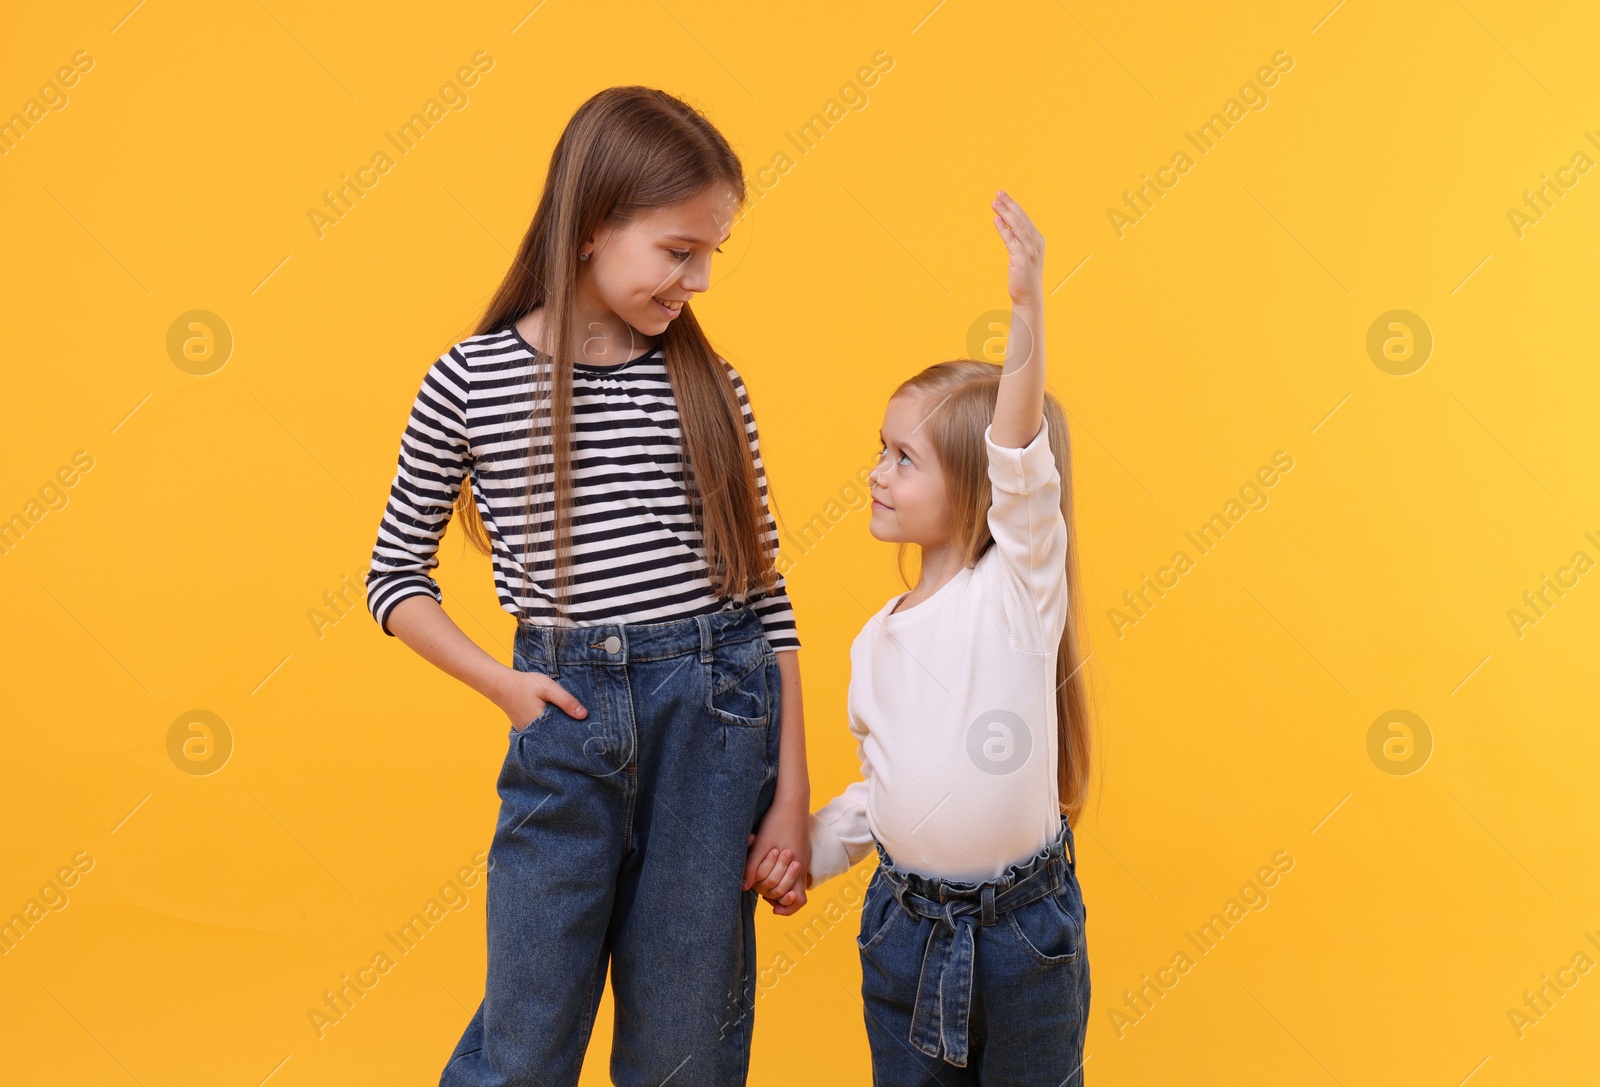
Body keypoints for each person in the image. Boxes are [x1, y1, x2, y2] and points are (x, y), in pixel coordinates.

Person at [363, 85, 811, 1087]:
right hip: (562, 712)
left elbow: (765, 601)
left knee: (684, 1044)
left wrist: (790, 795)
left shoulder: (708, 385)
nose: (696, 278)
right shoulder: (467, 381)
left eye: (711, 255)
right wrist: (502, 685)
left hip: (712, 722)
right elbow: (395, 576)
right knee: (525, 1032)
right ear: (591, 226)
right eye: (677, 250)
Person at [792, 191, 1093, 1084]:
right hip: (904, 932)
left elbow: (1021, 460)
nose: (876, 474)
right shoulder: (874, 641)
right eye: (879, 450)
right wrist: (802, 851)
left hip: (1024, 938)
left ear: (974, 486)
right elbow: (884, 790)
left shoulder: (1018, 590)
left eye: (903, 458)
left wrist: (1028, 305)